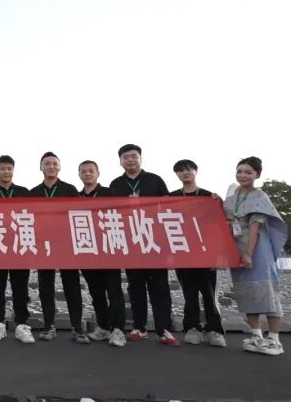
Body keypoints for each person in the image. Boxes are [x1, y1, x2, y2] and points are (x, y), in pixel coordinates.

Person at [109, 144, 178, 346]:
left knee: (160, 287)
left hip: (154, 241)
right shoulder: (115, 184)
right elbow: (111, 212)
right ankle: (139, 327)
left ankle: (164, 329)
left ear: (140, 159)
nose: (130, 160)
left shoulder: (155, 180)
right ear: (120, 161)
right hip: (131, 243)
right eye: (126, 157)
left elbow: (168, 206)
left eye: (134, 156)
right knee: (135, 287)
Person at [224, 156, 288, 356]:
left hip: (258, 248)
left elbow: (255, 227)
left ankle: (274, 340)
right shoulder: (231, 197)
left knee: (267, 289)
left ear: (257, 175)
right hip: (236, 246)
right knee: (246, 290)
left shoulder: (260, 196)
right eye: (240, 171)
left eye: (248, 172)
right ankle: (256, 335)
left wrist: (249, 253)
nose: (243, 175)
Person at [29, 152, 87, 343]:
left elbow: (79, 216)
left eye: (55, 163)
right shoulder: (34, 193)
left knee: (72, 287)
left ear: (59, 167)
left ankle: (77, 328)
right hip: (43, 245)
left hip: (66, 245)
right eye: (47, 163)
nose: (51, 166)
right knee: (46, 287)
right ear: (41, 167)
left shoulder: (70, 190)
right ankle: (49, 327)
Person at [170, 159, 227, 347]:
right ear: (176, 174)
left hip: (206, 254)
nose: (185, 173)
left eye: (189, 169)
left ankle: (215, 330)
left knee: (209, 294)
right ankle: (192, 328)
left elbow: (219, 225)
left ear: (196, 171)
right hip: (182, 253)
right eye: (180, 171)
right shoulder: (171, 197)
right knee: (189, 294)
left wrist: (219, 253)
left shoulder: (209, 196)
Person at [0, 156, 35, 344]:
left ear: (13, 170)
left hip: (20, 247)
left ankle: (22, 325)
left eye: (9, 168)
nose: (6, 172)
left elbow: (34, 218)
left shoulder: (24, 193)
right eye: (2, 168)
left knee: (21, 289)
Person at [77, 160, 128, 348]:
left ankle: (118, 329)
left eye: (91, 170)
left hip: (109, 250)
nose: (87, 173)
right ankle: (104, 326)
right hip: (87, 251)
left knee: (114, 292)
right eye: (83, 171)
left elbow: (123, 215)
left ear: (98, 173)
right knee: (96, 293)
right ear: (79, 175)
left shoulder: (110, 193)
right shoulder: (75, 197)